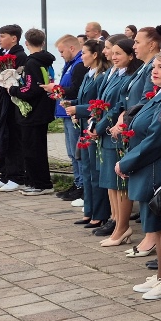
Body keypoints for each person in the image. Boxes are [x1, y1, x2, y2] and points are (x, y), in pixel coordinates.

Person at [117, 50, 161, 300]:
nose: (155, 71)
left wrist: (126, 162)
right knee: (156, 225)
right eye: (154, 67)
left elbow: (157, 139)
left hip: (159, 167)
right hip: (150, 166)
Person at [98, 36, 143, 243]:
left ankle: (120, 223)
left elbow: (119, 107)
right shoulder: (115, 74)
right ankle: (115, 219)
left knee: (119, 181)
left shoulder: (130, 76)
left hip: (119, 131)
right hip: (110, 129)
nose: (113, 56)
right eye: (112, 52)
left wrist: (100, 127)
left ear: (130, 56)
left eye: (118, 53)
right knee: (111, 181)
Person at [67, 39, 110, 228]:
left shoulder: (101, 76)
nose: (82, 56)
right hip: (84, 126)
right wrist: (71, 103)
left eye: (84, 52)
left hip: (94, 127)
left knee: (94, 171)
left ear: (95, 55)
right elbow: (84, 98)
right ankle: (89, 211)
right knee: (86, 169)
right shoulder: (88, 74)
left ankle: (99, 214)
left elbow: (99, 104)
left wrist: (78, 109)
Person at [8, 28, 57, 196]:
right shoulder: (46, 60)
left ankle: (40, 183)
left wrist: (12, 90)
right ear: (43, 42)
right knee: (36, 148)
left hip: (33, 112)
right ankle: (35, 181)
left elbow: (30, 89)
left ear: (26, 43)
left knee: (32, 150)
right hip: (44, 108)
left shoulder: (32, 63)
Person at [0, 25, 28, 190]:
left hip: (12, 104)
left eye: (2, 36)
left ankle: (16, 176)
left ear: (14, 38)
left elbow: (20, 80)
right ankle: (5, 175)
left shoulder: (20, 56)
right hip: (0, 103)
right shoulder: (3, 54)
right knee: (1, 139)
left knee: (13, 139)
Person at [54, 35, 85, 200]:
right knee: (72, 152)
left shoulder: (79, 65)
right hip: (66, 111)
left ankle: (81, 185)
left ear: (71, 48)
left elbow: (76, 90)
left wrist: (57, 89)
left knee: (76, 151)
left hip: (73, 112)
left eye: (62, 51)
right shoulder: (71, 64)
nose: (61, 55)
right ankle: (77, 182)